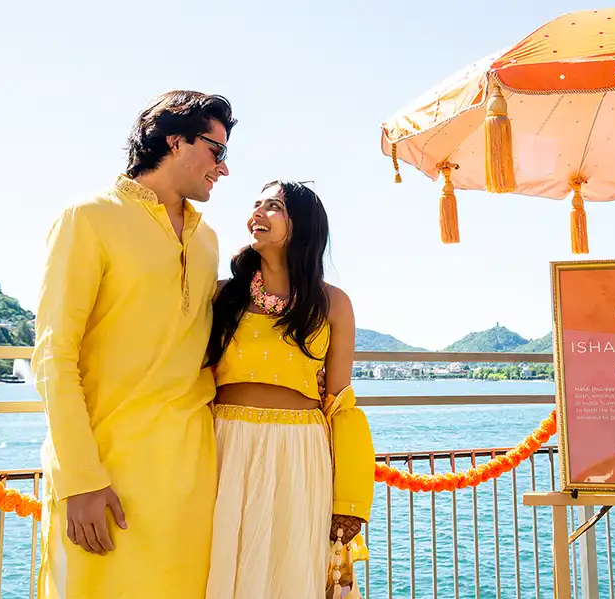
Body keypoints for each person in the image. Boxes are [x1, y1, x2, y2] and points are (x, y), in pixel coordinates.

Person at [32, 90, 238, 598]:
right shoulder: (88, 218)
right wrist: (80, 478)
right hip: (107, 476)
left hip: (192, 479)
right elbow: (55, 357)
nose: (224, 169)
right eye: (217, 151)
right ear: (175, 140)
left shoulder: (208, 240)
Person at [204, 180, 375, 598]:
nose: (258, 213)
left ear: (302, 226)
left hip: (301, 450)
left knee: (291, 570)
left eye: (274, 206)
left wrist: (349, 501)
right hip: (226, 444)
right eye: (256, 204)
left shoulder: (333, 303)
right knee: (224, 567)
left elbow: (340, 403)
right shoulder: (224, 296)